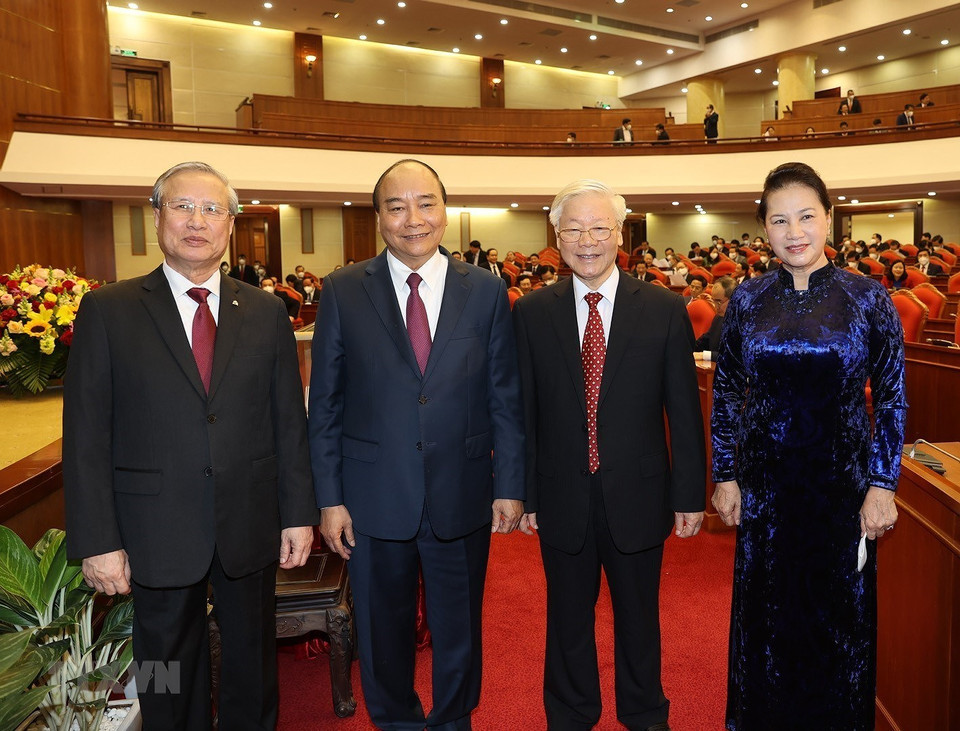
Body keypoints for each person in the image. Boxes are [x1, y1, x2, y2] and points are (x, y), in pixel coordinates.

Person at [62, 161, 317, 731]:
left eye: (211, 209)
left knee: (253, 662)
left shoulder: (266, 311)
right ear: (157, 217)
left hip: (249, 521)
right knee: (164, 669)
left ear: (230, 224)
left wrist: (298, 514)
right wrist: (98, 541)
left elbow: (287, 422)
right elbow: (86, 436)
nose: (197, 221)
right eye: (182, 207)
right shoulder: (109, 310)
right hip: (153, 529)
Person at [310, 158, 525, 731]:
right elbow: (325, 404)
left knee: (461, 629)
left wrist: (510, 484)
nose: (413, 219)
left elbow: (504, 396)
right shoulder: (343, 289)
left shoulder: (486, 290)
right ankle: (397, 722)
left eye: (426, 203)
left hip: (463, 489)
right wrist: (329, 499)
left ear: (445, 211)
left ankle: (453, 720)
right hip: (372, 496)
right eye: (397, 206)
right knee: (381, 632)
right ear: (378, 217)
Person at [711, 162, 906, 730]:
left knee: (838, 626)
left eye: (806, 216)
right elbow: (726, 392)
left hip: (840, 493)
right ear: (764, 229)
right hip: (765, 493)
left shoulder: (867, 298)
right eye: (779, 220)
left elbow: (892, 398)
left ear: (828, 218)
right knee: (767, 621)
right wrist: (725, 474)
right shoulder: (748, 299)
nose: (794, 232)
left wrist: (882, 484)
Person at [513, 179, 704, 731]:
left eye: (599, 228)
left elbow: (683, 411)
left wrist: (688, 493)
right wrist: (524, 492)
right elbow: (524, 412)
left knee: (639, 618)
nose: (587, 241)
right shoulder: (532, 312)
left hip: (639, 492)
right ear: (557, 237)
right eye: (573, 229)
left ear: (620, 234)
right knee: (567, 619)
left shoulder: (664, 309)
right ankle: (570, 715)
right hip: (560, 492)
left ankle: (644, 713)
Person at [693, 276, 734, 359]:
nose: (715, 306)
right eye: (714, 301)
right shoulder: (718, 318)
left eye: (719, 302)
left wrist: (704, 355)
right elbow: (704, 341)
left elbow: (733, 356)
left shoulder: (743, 323)